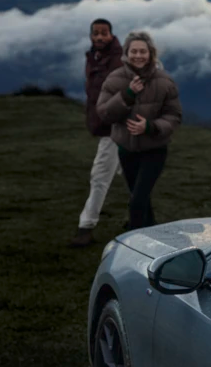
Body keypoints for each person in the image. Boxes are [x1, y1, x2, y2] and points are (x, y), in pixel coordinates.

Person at [96, 31, 182, 230]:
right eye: (133, 51)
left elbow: (174, 116)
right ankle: (152, 231)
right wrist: (127, 95)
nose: (138, 55)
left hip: (155, 150)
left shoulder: (165, 82)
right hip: (126, 151)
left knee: (137, 202)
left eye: (143, 51)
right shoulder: (114, 80)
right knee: (141, 199)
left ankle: (134, 239)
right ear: (126, 54)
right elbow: (104, 114)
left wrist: (150, 127)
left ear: (151, 53)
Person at [69, 18, 125, 248]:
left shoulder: (119, 60)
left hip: (115, 127)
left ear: (111, 35)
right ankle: (140, 216)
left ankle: (86, 226)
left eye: (104, 33)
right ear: (91, 36)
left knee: (100, 175)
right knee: (129, 172)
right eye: (96, 33)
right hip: (105, 125)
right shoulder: (94, 57)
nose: (100, 37)